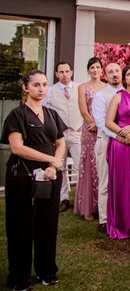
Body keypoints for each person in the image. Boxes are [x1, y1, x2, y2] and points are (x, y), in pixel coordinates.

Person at [2, 70, 67, 290]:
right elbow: (17, 147)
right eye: (36, 85)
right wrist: (51, 160)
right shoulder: (17, 115)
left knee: (48, 225)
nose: (41, 89)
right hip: (23, 178)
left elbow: (61, 142)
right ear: (26, 87)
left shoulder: (51, 114)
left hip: (50, 177)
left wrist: (53, 165)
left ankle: (46, 271)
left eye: (45, 85)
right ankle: (19, 278)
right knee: (21, 226)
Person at [104, 65, 130, 239]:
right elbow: (108, 122)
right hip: (123, 144)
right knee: (123, 182)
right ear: (123, 78)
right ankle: (123, 223)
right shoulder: (118, 97)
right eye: (128, 74)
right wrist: (123, 132)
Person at [43, 62, 83, 212]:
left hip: (77, 132)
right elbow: (44, 111)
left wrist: (83, 124)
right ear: (56, 74)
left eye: (67, 71)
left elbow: (87, 107)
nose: (64, 74)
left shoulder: (80, 87)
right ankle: (63, 198)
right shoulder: (50, 91)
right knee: (60, 166)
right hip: (59, 135)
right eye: (61, 72)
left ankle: (81, 198)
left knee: (81, 166)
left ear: (71, 72)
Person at [92, 63, 123, 232]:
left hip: (126, 142)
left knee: (122, 181)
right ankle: (104, 219)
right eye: (110, 72)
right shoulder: (101, 95)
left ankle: (120, 214)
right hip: (106, 140)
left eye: (117, 71)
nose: (114, 74)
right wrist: (118, 135)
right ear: (106, 75)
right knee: (105, 181)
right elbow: (100, 121)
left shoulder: (127, 93)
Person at [74, 57, 106, 221]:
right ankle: (87, 207)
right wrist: (92, 124)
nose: (95, 70)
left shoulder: (107, 87)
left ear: (102, 70)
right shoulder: (82, 87)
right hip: (89, 130)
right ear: (88, 70)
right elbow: (83, 110)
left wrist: (101, 125)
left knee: (102, 166)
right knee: (89, 165)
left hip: (103, 129)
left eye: (98, 67)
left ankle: (102, 206)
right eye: (92, 68)